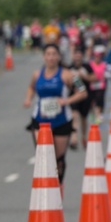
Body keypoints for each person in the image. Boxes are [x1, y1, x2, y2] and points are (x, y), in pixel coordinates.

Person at [24, 43, 87, 186]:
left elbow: (83, 92)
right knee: (44, 157)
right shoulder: (36, 74)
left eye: (54, 54)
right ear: (43, 56)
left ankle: (58, 188)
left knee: (58, 159)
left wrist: (67, 100)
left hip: (61, 121)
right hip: (40, 120)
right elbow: (30, 87)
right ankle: (45, 190)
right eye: (48, 54)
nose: (51, 57)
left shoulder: (69, 74)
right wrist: (28, 98)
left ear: (59, 56)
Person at [67, 46, 93, 150]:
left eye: (79, 54)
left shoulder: (87, 67)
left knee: (83, 117)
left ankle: (83, 137)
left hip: (85, 95)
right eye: (75, 54)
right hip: (73, 96)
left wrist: (84, 76)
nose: (77, 57)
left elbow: (94, 78)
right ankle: (74, 139)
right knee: (74, 115)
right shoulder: (69, 68)